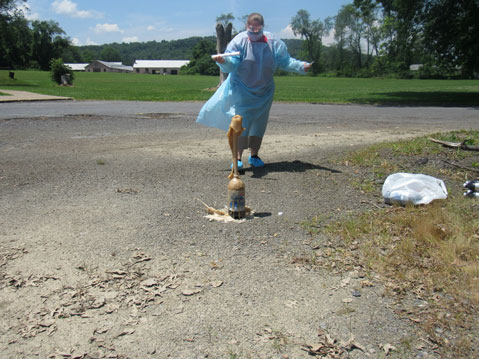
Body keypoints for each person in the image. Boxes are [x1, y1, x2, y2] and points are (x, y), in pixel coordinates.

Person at [196, 12, 311, 169]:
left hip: (264, 91)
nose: (255, 32)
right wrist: (224, 61)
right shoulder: (239, 41)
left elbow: (285, 61)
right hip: (241, 90)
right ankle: (237, 158)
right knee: (240, 122)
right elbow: (231, 64)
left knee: (259, 122)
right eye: (251, 29)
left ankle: (254, 155)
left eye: (258, 29)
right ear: (246, 26)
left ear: (263, 27)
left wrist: (301, 66)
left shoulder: (274, 43)